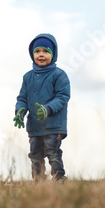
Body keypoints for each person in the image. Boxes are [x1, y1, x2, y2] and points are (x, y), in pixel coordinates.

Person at [13, 33, 70, 182]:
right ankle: (39, 182)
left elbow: (63, 96)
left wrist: (48, 108)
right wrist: (20, 111)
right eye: (37, 51)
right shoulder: (28, 77)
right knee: (35, 155)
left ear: (53, 53)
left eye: (46, 51)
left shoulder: (59, 75)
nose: (41, 55)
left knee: (53, 153)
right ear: (32, 54)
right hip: (35, 126)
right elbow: (22, 98)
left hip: (54, 126)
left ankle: (59, 179)